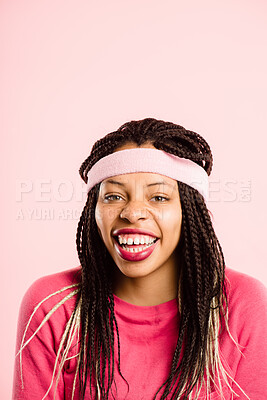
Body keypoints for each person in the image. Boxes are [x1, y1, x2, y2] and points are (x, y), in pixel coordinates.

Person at [12, 118, 267, 400]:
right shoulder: (53, 306)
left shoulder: (241, 304)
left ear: (190, 212)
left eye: (158, 197)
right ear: (92, 210)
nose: (132, 213)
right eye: (113, 196)